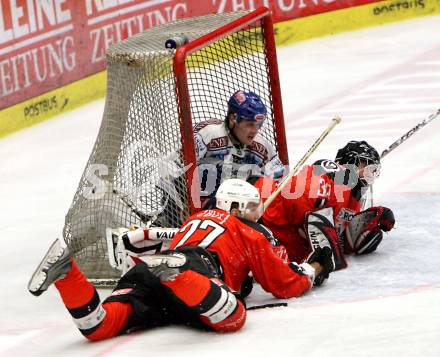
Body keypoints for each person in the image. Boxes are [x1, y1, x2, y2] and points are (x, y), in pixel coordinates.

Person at [28, 179, 334, 341]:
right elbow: (284, 284)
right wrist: (314, 267)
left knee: (99, 326)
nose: (259, 212)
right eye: (253, 207)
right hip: (194, 271)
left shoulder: (193, 220)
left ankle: (68, 273)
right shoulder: (247, 231)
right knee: (234, 317)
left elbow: (142, 237)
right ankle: (178, 276)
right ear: (237, 208)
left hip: (151, 273)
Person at [252, 140, 395, 267]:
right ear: (349, 163)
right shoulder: (335, 173)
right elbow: (298, 199)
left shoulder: (353, 202)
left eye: (373, 170)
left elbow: (338, 240)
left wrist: (368, 223)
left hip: (275, 238)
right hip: (257, 207)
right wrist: (313, 226)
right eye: (365, 165)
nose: (370, 174)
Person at [194, 90, 285, 206]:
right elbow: (177, 171)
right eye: (250, 124)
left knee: (257, 183)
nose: (255, 130)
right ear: (233, 120)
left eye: (259, 124)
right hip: (197, 208)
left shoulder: (262, 148)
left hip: (234, 212)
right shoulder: (208, 134)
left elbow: (279, 183)